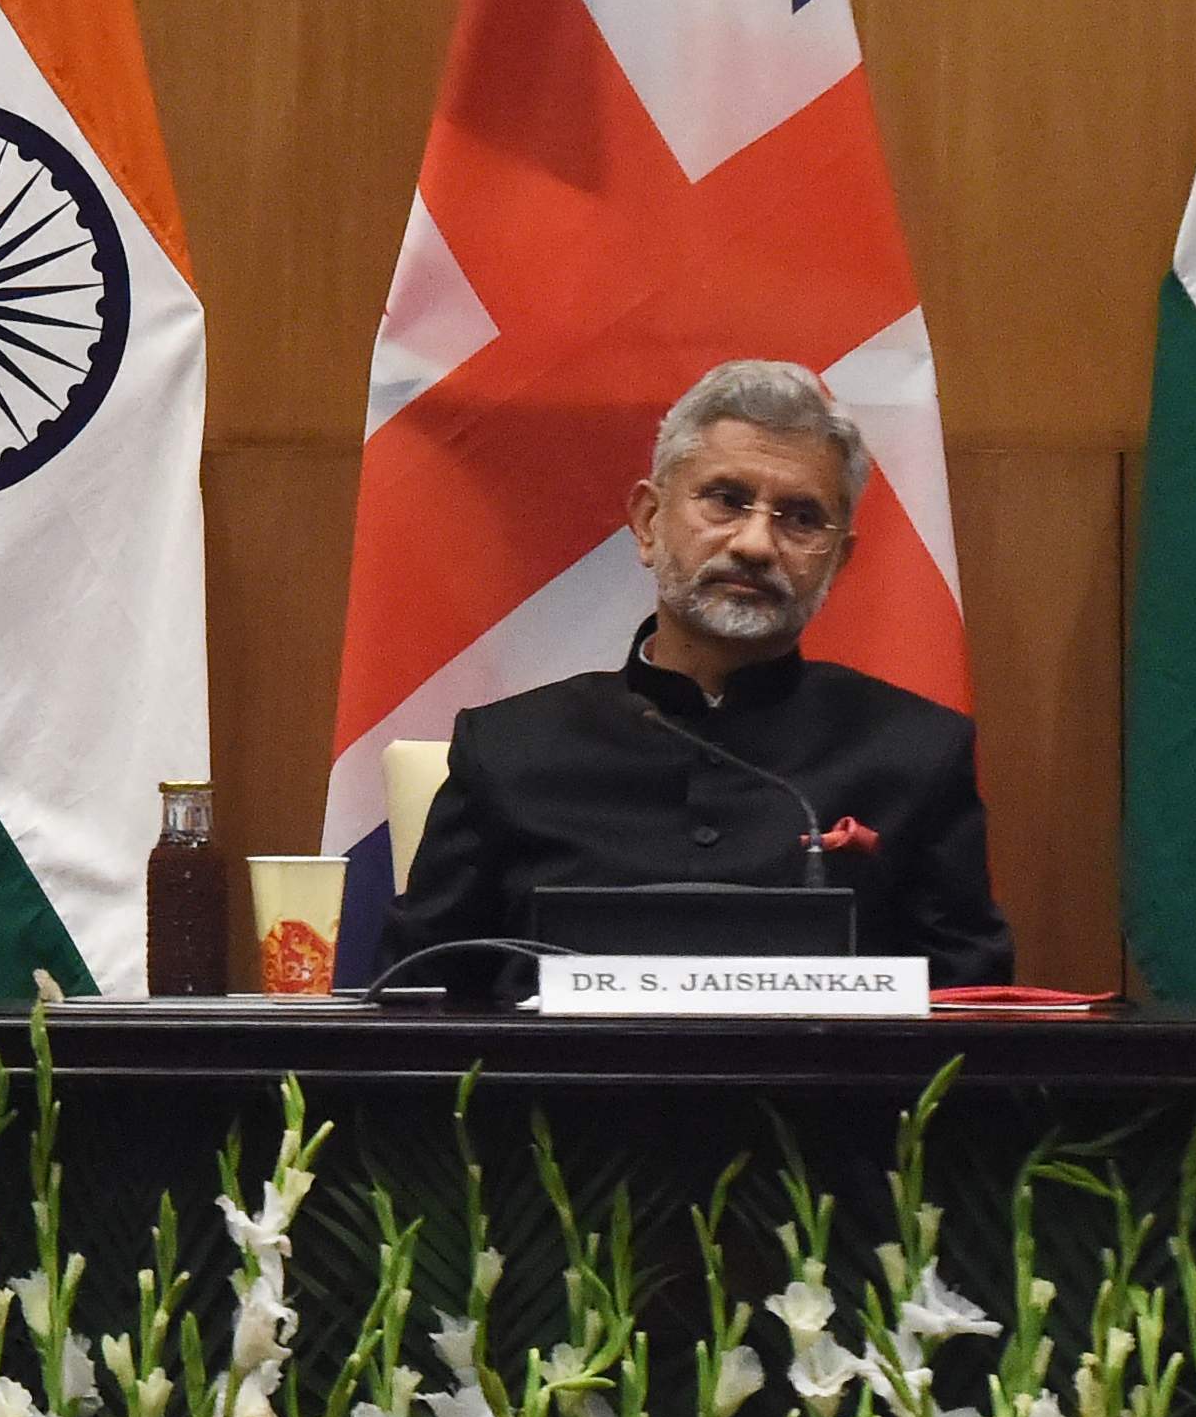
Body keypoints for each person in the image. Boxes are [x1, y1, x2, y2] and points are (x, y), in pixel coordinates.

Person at [387, 358, 1011, 980]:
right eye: (727, 501)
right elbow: (413, 999)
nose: (756, 545)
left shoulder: (916, 754)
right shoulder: (508, 750)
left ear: (837, 561)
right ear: (648, 523)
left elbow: (973, 1016)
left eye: (800, 518)